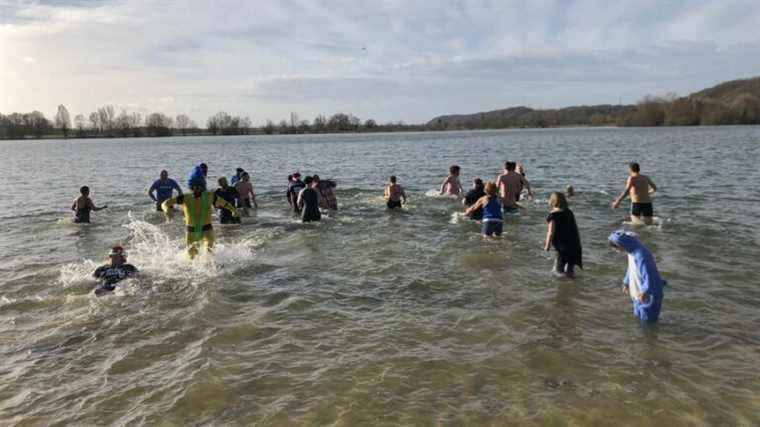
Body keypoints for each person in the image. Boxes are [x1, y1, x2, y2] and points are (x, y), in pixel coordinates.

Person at [162, 166, 239, 258]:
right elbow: (165, 203)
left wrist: (233, 210)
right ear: (191, 186)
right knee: (192, 257)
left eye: (199, 186)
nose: (197, 188)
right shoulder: (185, 198)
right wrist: (166, 210)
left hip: (207, 230)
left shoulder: (210, 196)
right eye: (194, 186)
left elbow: (225, 204)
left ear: (203, 186)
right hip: (191, 232)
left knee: (210, 254)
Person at [608, 230, 666, 323]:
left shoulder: (642, 255)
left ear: (623, 244)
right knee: (638, 317)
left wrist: (645, 291)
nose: (616, 251)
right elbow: (631, 269)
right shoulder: (631, 252)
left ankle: (649, 335)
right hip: (638, 292)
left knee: (648, 321)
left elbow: (649, 274)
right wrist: (626, 283)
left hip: (650, 294)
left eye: (616, 248)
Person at [544, 192, 583, 278]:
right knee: (570, 270)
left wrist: (547, 246)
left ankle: (564, 289)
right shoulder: (569, 212)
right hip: (574, 244)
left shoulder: (553, 215)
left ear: (552, 201)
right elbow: (575, 228)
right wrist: (578, 243)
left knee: (559, 271)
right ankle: (573, 285)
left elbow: (550, 233)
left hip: (562, 247)